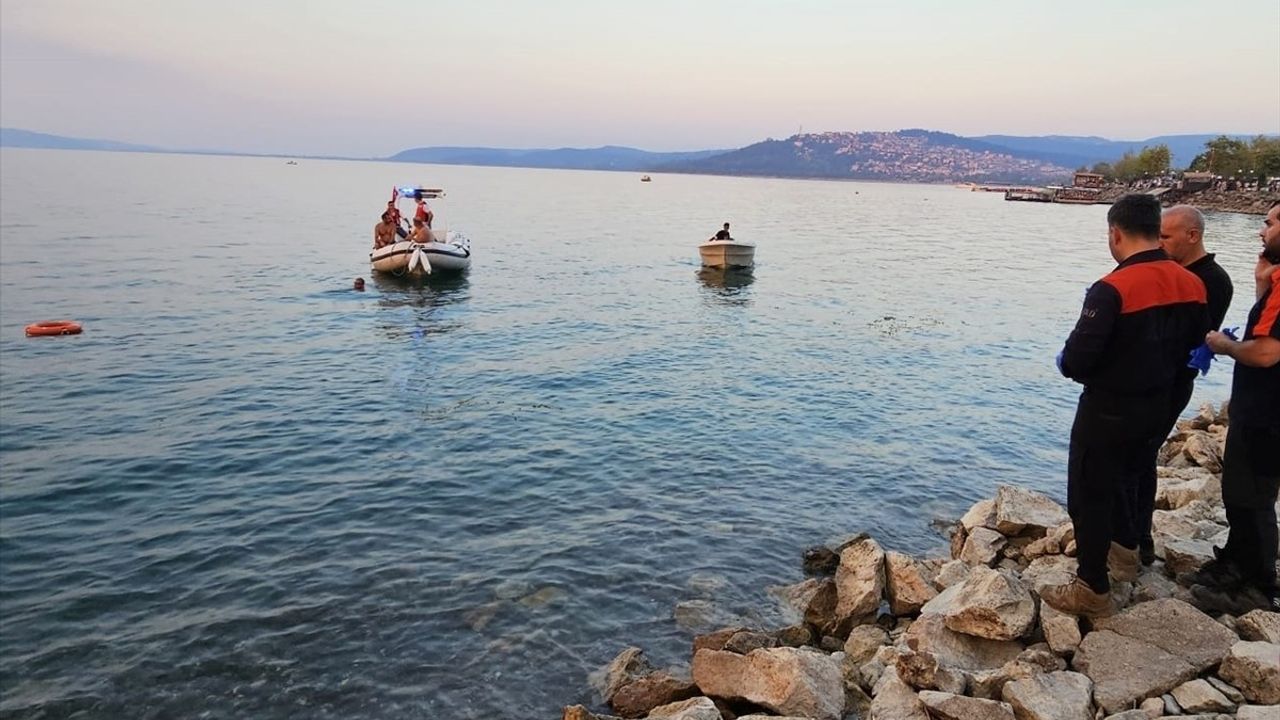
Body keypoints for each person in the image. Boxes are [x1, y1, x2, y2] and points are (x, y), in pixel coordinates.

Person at [1042, 194, 1209, 617]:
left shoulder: (1112, 288)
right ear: (1156, 231)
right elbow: (1193, 345)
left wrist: (1066, 360)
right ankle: (1127, 553)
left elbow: (1077, 360)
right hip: (1159, 404)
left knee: (1090, 491)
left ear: (1115, 233)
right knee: (1131, 478)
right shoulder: (1193, 283)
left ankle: (1092, 588)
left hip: (1109, 408)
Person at [1188, 200, 1280, 613]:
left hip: (1267, 409)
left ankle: (1256, 582)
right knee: (1248, 489)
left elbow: (1264, 353)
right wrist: (1262, 281)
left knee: (1250, 493)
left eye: (1271, 223)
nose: (1262, 231)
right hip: (1264, 406)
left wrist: (1220, 344)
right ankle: (1240, 561)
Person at [1130, 205, 1235, 564]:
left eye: (1165, 237)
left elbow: (1184, 337)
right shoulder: (1173, 271)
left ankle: (1138, 539)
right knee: (1134, 457)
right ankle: (1130, 534)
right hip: (1151, 381)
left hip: (1171, 383)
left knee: (1140, 457)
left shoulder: (1212, 280)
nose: (1159, 244)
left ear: (1192, 236)